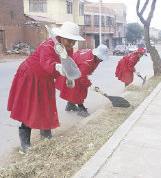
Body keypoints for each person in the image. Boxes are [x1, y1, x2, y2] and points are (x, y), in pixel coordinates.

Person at [7, 22, 85, 154]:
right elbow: (46, 63)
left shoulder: (68, 48)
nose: (71, 44)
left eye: (74, 41)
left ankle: (46, 136)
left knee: (46, 107)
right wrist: (58, 67)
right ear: (61, 37)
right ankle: (24, 144)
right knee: (30, 108)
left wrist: (68, 77)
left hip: (46, 78)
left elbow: (68, 63)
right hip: (31, 75)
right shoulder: (48, 45)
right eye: (69, 41)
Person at [55, 44, 109, 117]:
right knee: (79, 90)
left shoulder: (93, 54)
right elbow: (81, 77)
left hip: (74, 67)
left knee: (76, 89)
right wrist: (90, 85)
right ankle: (81, 108)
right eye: (101, 58)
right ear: (97, 55)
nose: (102, 60)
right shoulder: (87, 63)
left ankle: (70, 105)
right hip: (70, 70)